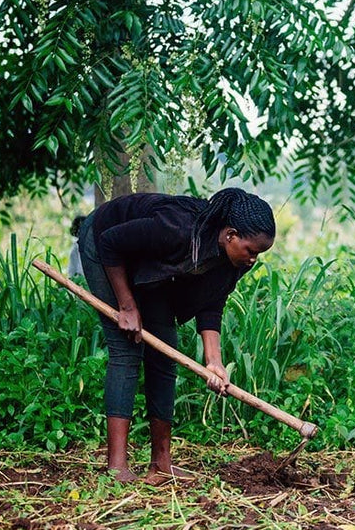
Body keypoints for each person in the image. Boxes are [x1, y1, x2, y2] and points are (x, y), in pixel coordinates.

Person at [77, 187, 276, 484]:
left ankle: (161, 463)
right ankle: (116, 466)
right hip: (106, 244)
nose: (253, 260)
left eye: (259, 254)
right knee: (127, 348)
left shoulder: (235, 260)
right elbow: (111, 243)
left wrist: (214, 361)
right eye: (251, 251)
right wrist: (127, 305)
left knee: (165, 351)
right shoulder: (177, 228)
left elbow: (212, 302)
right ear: (231, 235)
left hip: (150, 267)